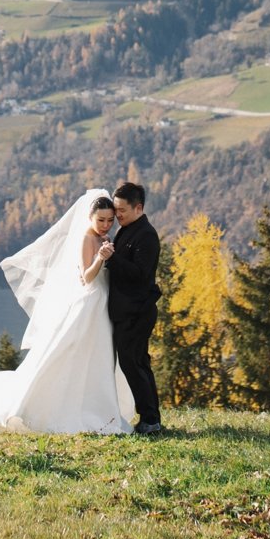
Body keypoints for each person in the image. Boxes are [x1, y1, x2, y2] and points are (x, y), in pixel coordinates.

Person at [0, 191, 135, 434]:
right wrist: (101, 259)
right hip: (88, 303)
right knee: (67, 353)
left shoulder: (104, 238)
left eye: (110, 220)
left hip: (101, 305)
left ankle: (95, 407)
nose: (105, 225)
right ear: (89, 217)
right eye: (101, 219)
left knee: (96, 358)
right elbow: (86, 278)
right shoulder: (86, 239)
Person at [105, 180, 164, 435]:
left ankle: (150, 420)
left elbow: (140, 274)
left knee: (133, 363)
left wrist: (112, 258)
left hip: (137, 311)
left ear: (138, 208)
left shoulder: (146, 235)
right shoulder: (128, 229)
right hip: (128, 311)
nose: (117, 216)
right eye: (116, 210)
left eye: (122, 211)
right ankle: (151, 419)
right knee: (138, 362)